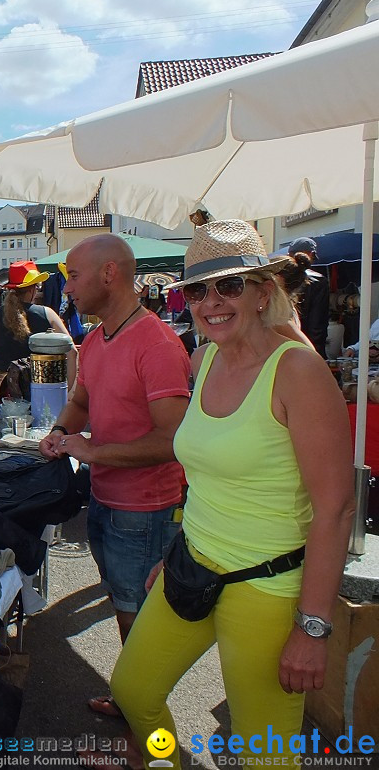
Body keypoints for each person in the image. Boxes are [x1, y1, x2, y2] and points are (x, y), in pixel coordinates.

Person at [110, 219, 354, 769]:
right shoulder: (205, 360)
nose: (211, 302)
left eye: (229, 285)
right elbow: (204, 470)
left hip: (266, 588)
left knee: (264, 755)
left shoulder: (299, 372)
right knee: (133, 692)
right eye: (197, 290)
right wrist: (176, 548)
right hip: (191, 566)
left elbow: (335, 510)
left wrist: (312, 628)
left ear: (264, 291)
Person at [38, 235, 190, 721]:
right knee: (127, 614)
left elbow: (175, 439)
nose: (68, 286)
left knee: (139, 623)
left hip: (145, 509)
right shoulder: (96, 338)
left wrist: (93, 449)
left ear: (110, 274)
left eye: (75, 275)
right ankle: (132, 702)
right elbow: (82, 402)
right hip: (108, 499)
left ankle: (139, 730)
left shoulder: (157, 342)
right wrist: (63, 430)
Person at [0, 261, 76, 394]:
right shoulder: (48, 314)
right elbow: (72, 353)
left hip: (2, 392)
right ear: (32, 289)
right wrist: (65, 389)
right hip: (41, 393)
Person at [287, 237, 330, 356]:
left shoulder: (276, 276)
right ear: (310, 254)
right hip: (305, 347)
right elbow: (317, 324)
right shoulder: (318, 281)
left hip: (278, 345)